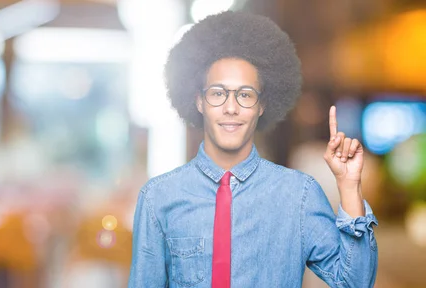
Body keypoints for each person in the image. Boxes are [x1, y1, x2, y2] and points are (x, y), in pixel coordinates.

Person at [127, 11, 378, 288]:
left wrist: (350, 187)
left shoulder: (299, 196)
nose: (231, 107)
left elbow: (355, 283)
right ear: (199, 101)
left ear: (262, 105)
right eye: (218, 93)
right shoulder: (158, 198)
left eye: (245, 94)